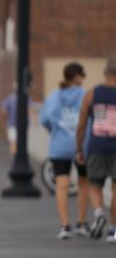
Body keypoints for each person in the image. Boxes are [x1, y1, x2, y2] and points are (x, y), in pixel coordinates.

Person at [40, 62, 90, 239]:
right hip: (82, 146)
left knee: (62, 185)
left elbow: (44, 119)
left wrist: (55, 131)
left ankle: (64, 226)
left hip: (59, 146)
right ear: (77, 76)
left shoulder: (54, 96)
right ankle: (82, 223)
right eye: (83, 75)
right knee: (84, 183)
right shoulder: (86, 95)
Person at [75, 56, 116, 242]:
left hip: (97, 145)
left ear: (104, 72)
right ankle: (113, 230)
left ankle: (99, 212)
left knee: (94, 184)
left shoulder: (91, 94)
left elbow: (82, 125)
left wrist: (78, 149)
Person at [1, 85, 18, 155]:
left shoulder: (9, 99)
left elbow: (4, 111)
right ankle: (16, 154)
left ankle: (15, 154)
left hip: (11, 123)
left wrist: (5, 120)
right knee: (15, 141)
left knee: (13, 140)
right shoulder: (26, 98)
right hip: (20, 124)